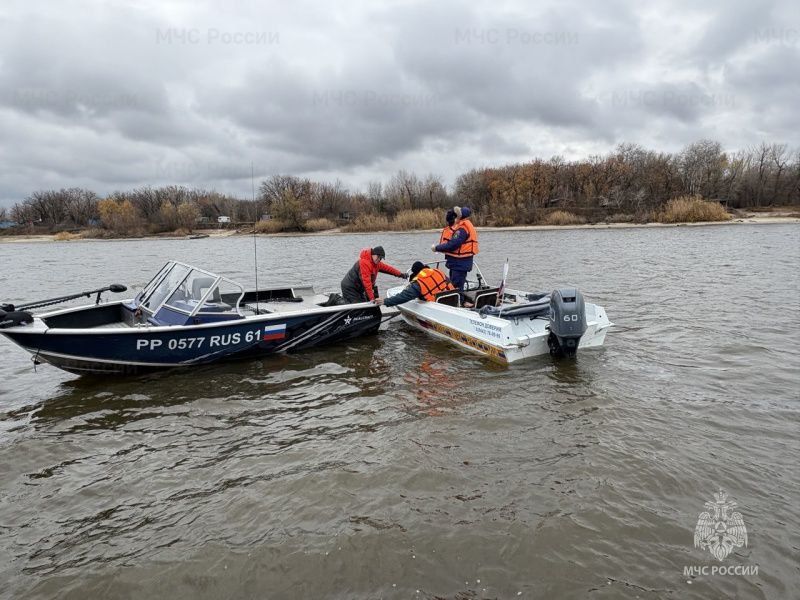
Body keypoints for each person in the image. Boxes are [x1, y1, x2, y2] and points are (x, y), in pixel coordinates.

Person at [431, 206, 479, 290]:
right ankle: (460, 300)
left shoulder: (462, 229)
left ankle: (460, 301)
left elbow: (453, 244)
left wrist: (437, 248)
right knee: (454, 285)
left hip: (460, 264)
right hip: (457, 263)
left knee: (456, 287)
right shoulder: (461, 227)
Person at [374, 261, 456, 307]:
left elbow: (404, 296)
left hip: (438, 306)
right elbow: (450, 284)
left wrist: (385, 301)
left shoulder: (419, 283)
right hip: (454, 300)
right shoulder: (438, 271)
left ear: (416, 273)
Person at [341, 246, 405, 303]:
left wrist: (401, 275)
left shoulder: (376, 264)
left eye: (381, 258)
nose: (379, 259)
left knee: (365, 305)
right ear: (373, 254)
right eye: (379, 257)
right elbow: (367, 283)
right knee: (357, 308)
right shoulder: (364, 263)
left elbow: (389, 269)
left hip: (358, 289)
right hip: (350, 287)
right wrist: (372, 299)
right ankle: (336, 300)